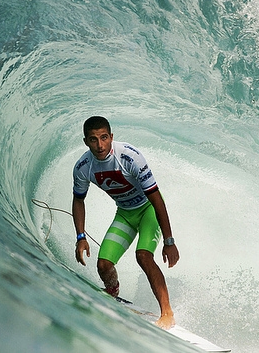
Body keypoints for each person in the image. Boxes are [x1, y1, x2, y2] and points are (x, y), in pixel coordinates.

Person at [72, 115, 179, 329]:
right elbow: (78, 200)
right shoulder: (83, 167)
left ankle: (167, 313)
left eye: (104, 137)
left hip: (148, 209)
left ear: (111, 137)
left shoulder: (129, 157)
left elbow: (156, 198)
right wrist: (80, 237)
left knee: (143, 256)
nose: (100, 145)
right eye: (93, 139)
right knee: (103, 264)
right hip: (125, 214)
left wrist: (169, 241)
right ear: (86, 141)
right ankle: (112, 292)